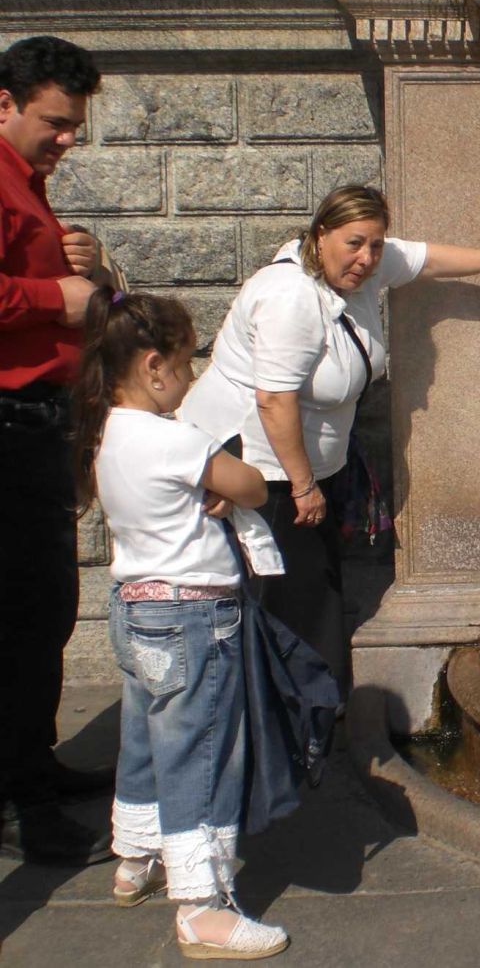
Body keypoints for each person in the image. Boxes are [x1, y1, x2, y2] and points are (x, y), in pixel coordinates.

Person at [179, 184, 480, 694]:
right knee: (287, 604)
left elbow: (422, 259)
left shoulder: (360, 267)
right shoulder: (291, 297)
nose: (367, 258)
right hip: (262, 472)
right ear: (320, 234)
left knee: (310, 599)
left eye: (374, 244)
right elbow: (274, 401)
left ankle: (310, 721)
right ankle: (288, 722)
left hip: (300, 469)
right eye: (354, 243)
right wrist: (306, 487)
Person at [75, 288, 288, 959]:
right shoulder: (172, 439)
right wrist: (226, 484)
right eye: (184, 361)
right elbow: (252, 483)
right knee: (200, 751)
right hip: (193, 616)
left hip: (135, 607)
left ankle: (136, 857)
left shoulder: (106, 432)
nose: (190, 375)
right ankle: (202, 904)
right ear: (151, 366)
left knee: (144, 735)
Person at [0, 34, 114, 865]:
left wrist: (89, 268)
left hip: (37, 421)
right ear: (3, 103)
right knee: (24, 616)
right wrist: (58, 294)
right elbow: (39, 301)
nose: (68, 137)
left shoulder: (27, 184)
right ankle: (23, 806)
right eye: (55, 121)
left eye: (75, 123)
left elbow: (75, 296)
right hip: (9, 424)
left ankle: (31, 765)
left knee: (42, 614)